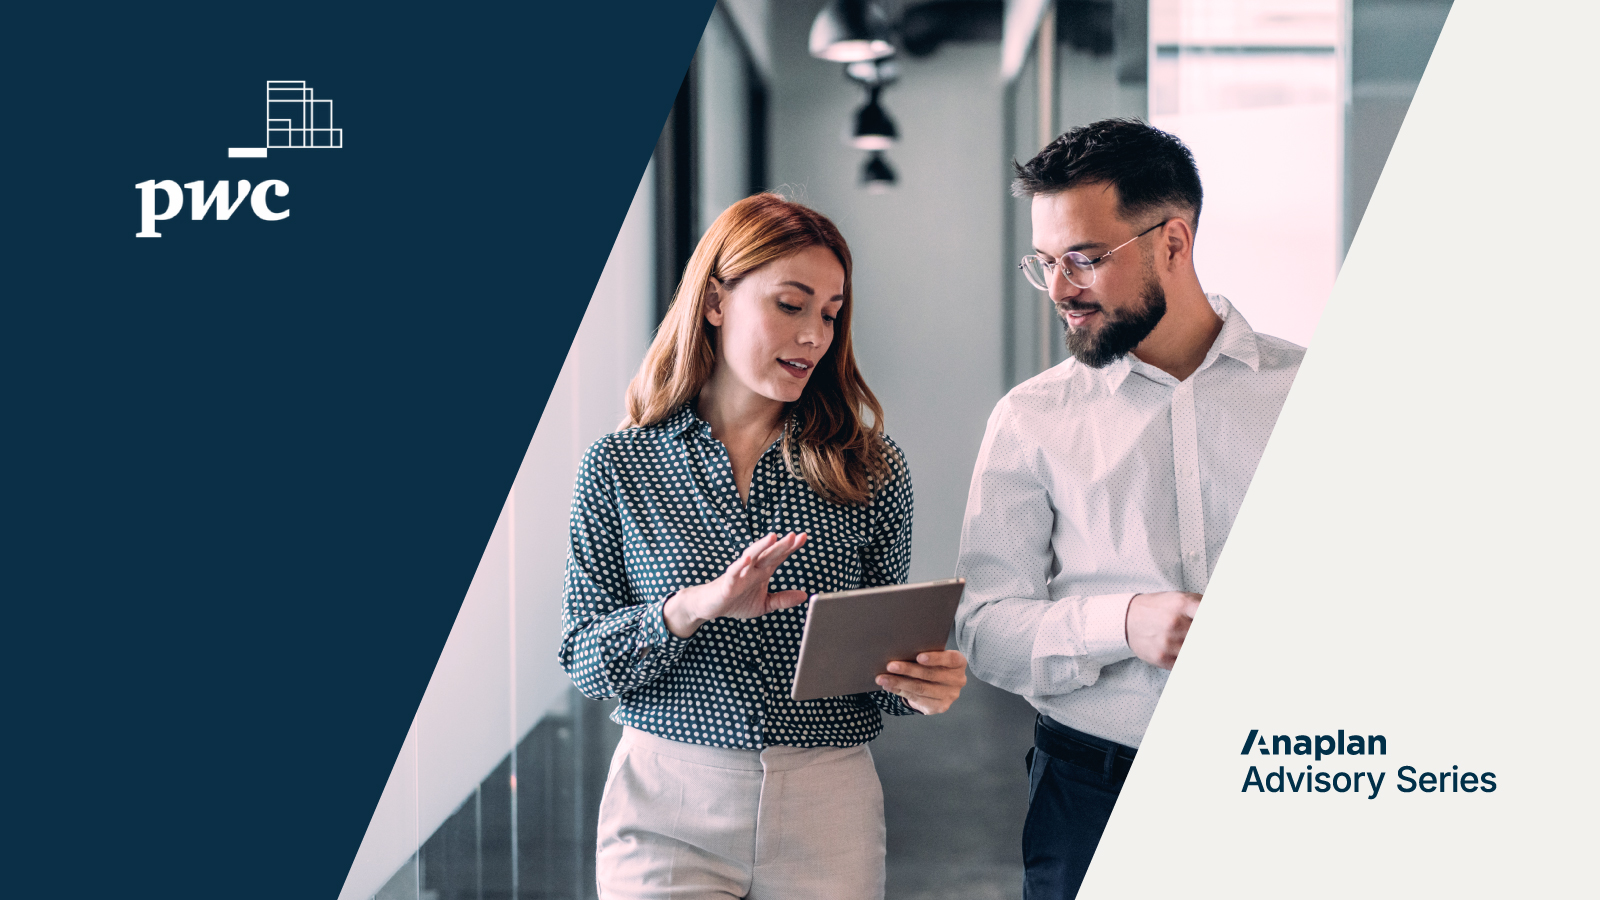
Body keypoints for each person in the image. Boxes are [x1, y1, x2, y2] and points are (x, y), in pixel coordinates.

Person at [559, 193, 969, 900]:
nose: (814, 335)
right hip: (665, 803)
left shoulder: (871, 469)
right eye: (790, 304)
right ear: (716, 301)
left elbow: (879, 670)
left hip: (826, 805)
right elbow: (584, 660)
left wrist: (923, 684)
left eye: (830, 314)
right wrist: (690, 608)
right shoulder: (620, 465)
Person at [953, 119, 1305, 898]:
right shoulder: (1030, 419)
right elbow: (984, 630)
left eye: (1084, 258)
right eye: (1045, 263)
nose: (1060, 289)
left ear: (1172, 242)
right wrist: (1124, 623)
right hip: (1091, 796)